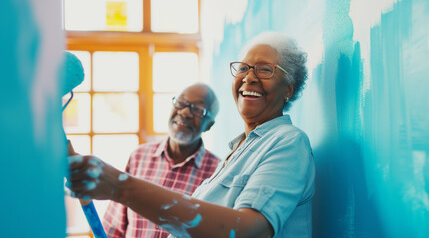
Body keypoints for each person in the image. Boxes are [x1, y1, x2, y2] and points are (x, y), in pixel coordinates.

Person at [68, 31, 315, 238]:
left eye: (265, 69)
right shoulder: (236, 153)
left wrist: (120, 187)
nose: (249, 77)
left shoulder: (289, 142)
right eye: (243, 68)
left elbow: (250, 231)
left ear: (288, 88)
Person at [102, 83, 221, 237]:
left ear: (209, 125)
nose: (185, 112)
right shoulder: (139, 157)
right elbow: (113, 229)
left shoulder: (218, 172)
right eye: (181, 103)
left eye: (198, 109)